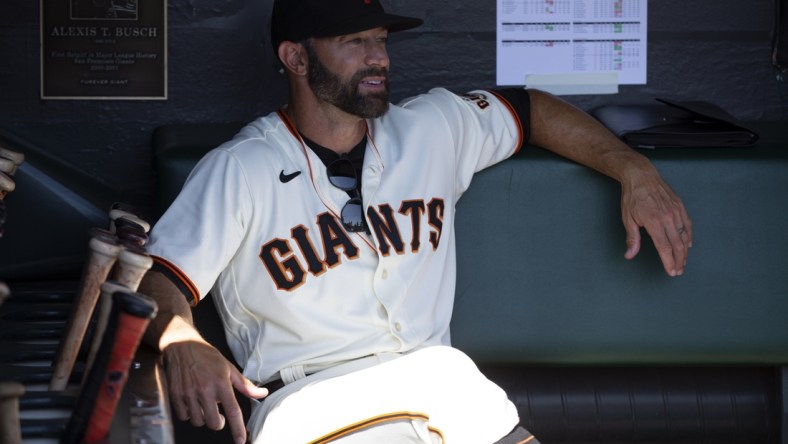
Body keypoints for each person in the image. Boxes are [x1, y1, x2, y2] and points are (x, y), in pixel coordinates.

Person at [139, 0, 693, 443]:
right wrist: (181, 338)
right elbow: (158, 277)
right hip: (310, 401)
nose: (377, 56)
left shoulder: (432, 128)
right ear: (296, 57)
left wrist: (632, 168)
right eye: (354, 42)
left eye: (380, 40)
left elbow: (530, 109)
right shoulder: (240, 167)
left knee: (464, 391)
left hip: (439, 382)